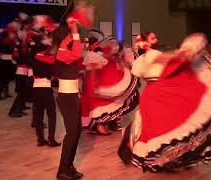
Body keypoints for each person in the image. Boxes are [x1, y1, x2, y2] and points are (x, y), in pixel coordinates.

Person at [118, 33, 211, 172]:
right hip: (156, 96)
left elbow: (173, 64)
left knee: (163, 128)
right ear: (145, 42)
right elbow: (168, 60)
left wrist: (186, 54)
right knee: (162, 130)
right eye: (152, 38)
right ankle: (161, 160)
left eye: (156, 37)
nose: (156, 40)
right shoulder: (150, 55)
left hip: (160, 93)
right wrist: (184, 52)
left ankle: (170, 160)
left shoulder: (148, 56)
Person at [81, 30, 140, 135]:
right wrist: (95, 86)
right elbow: (93, 71)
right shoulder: (94, 55)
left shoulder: (99, 53)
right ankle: (100, 124)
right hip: (99, 83)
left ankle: (109, 122)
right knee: (110, 104)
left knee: (126, 100)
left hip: (103, 82)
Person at [53, 22, 84, 180]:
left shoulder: (66, 53)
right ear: (65, 38)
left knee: (77, 131)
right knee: (72, 133)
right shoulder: (61, 53)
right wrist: (75, 31)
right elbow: (78, 54)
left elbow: (79, 56)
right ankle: (62, 171)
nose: (73, 37)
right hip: (67, 98)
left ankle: (69, 166)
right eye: (70, 35)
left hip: (73, 96)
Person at [30, 16, 61, 148]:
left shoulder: (34, 57)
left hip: (35, 89)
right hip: (45, 89)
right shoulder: (49, 59)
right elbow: (54, 64)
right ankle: (51, 139)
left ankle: (40, 139)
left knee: (38, 115)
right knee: (52, 115)